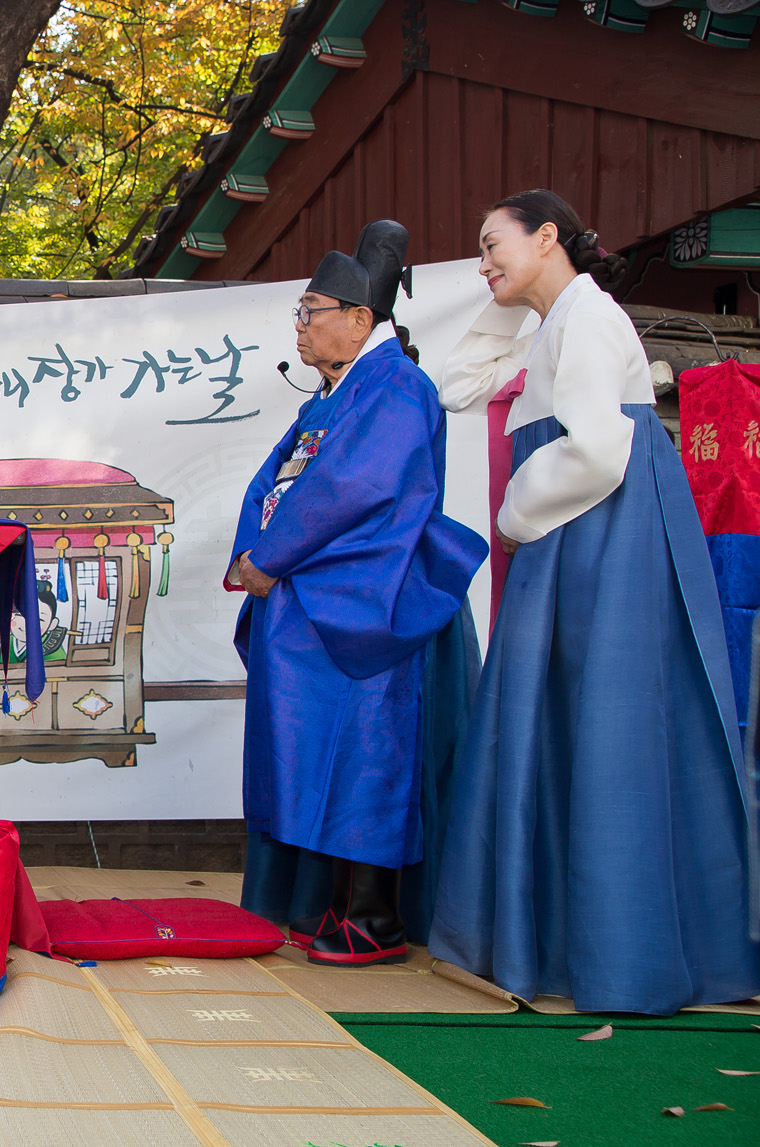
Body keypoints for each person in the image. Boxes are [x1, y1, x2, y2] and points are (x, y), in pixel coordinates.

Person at [430, 190, 760, 1014]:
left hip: (595, 532)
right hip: (572, 533)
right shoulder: (555, 321)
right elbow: (456, 385)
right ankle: (578, 946)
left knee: (605, 728)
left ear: (548, 237)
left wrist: (512, 517)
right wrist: (510, 300)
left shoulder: (590, 315)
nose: (483, 263)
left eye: (493, 244)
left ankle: (620, 953)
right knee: (567, 721)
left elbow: (599, 448)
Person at [227, 220, 487, 967]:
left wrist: (270, 557)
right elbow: (277, 477)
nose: (300, 327)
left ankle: (374, 914)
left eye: (310, 312)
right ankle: (315, 903)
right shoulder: (336, 391)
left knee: (368, 753)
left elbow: (355, 487)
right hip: (306, 597)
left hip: (365, 607)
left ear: (359, 318)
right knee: (303, 754)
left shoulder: (400, 387)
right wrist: (252, 552)